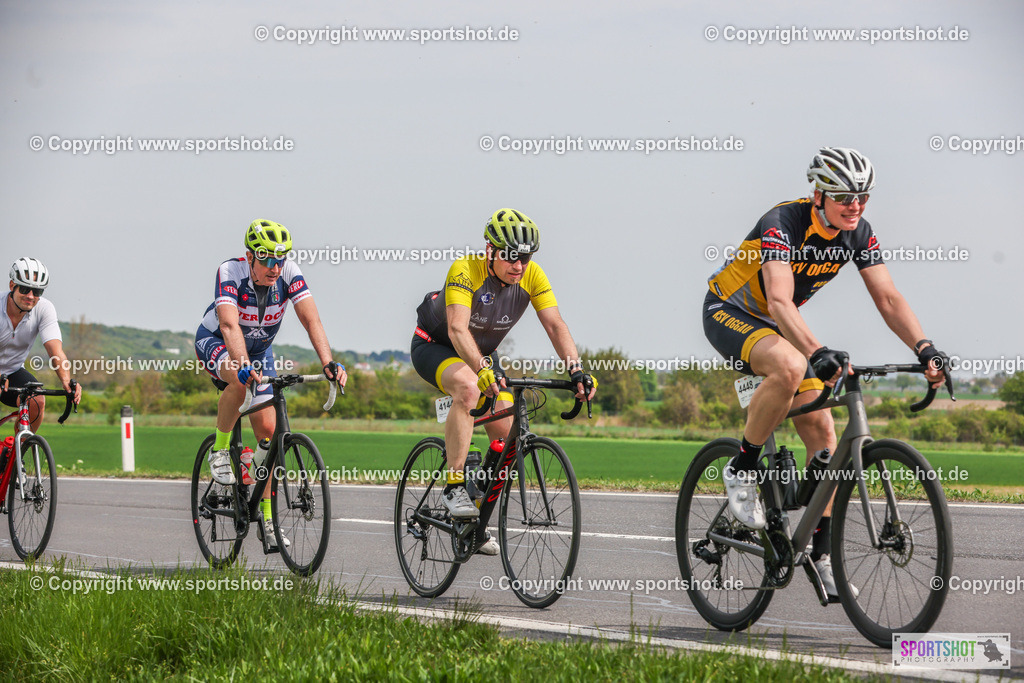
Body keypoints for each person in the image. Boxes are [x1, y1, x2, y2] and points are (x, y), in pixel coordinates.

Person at [702, 147, 948, 599]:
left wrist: (924, 346)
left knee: (826, 440)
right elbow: (778, 300)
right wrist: (817, 352)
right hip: (730, 312)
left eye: (863, 197)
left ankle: (821, 555)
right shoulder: (783, 222)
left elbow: (888, 298)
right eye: (844, 196)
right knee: (793, 364)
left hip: (781, 324)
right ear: (819, 194)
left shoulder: (859, 233)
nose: (855, 206)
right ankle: (741, 466)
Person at [412, 208, 597, 555]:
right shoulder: (465, 269)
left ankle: (476, 518)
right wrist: (481, 370)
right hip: (436, 346)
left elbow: (555, 325)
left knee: (507, 438)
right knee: (468, 389)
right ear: (490, 251)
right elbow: (456, 328)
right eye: (510, 256)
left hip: (483, 355)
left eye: (525, 257)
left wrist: (576, 370)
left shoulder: (532, 276)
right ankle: (454, 484)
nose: (519, 265)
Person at [194, 220, 347, 551]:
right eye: (266, 259)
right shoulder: (230, 272)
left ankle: (265, 516)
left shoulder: (289, 272)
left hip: (260, 351)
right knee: (237, 376)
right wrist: (244, 364)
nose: (275, 267)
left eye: (281, 259)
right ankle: (221, 451)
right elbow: (228, 323)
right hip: (217, 341)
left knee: (270, 434)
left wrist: (328, 363)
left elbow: (311, 320)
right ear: (250, 256)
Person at [1, 258, 82, 427]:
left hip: (13, 371)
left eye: (37, 291)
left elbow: (55, 351)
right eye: (24, 289)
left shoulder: (44, 309)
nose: (30, 296)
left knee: (36, 400)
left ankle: (20, 449)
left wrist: (66, 381)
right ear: (11, 286)